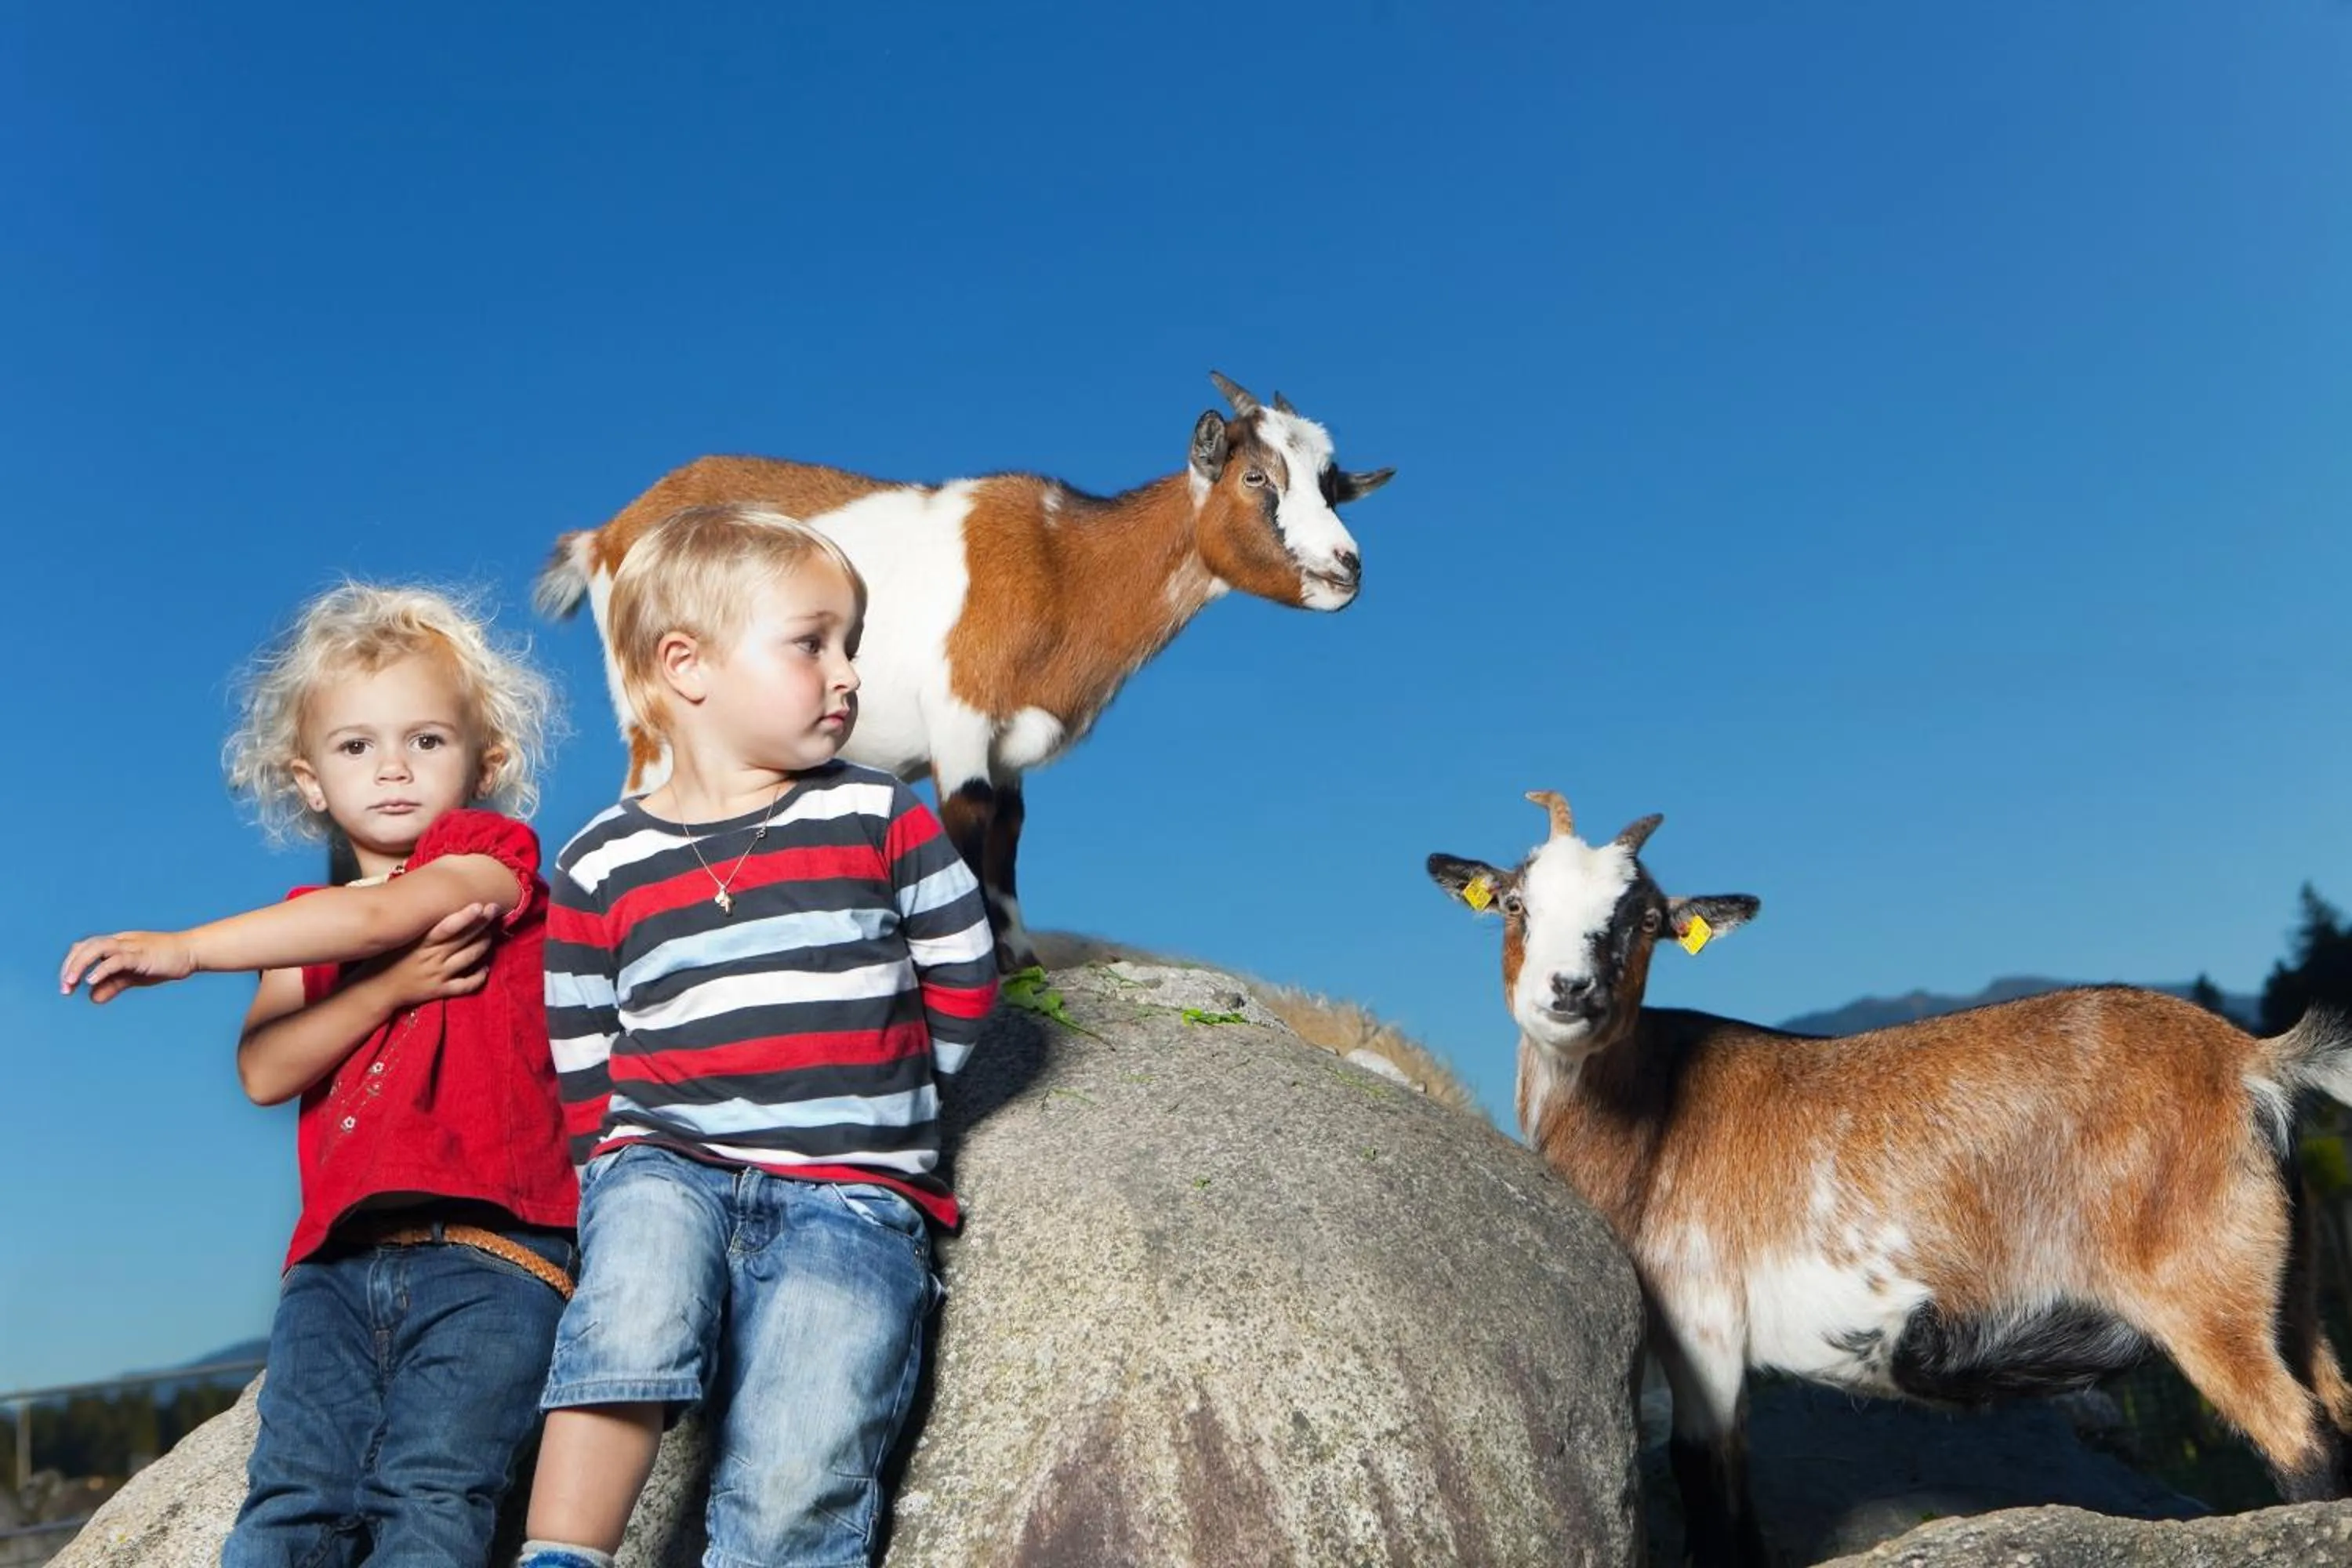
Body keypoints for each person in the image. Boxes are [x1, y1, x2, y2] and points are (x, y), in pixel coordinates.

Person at [59, 583, 576, 1567]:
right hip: (332, 1268)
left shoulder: (487, 860)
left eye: (426, 740)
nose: (391, 767)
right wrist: (388, 994)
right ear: (308, 780)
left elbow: (383, 916)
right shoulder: (301, 919)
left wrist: (186, 947)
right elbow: (264, 1067)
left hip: (493, 1251)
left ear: (487, 760)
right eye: (355, 746)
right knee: (295, 1495)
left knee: (431, 1489)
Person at [520, 505, 996, 1568]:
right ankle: (561, 1555)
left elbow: (963, 970)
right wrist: (609, 1164)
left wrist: (897, 1094)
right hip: (664, 1167)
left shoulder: (876, 815)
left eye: (852, 647)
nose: (849, 675)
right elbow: (583, 1033)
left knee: (803, 1452)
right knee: (624, 1327)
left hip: (853, 1193)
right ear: (686, 666)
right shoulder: (601, 859)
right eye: (812, 642)